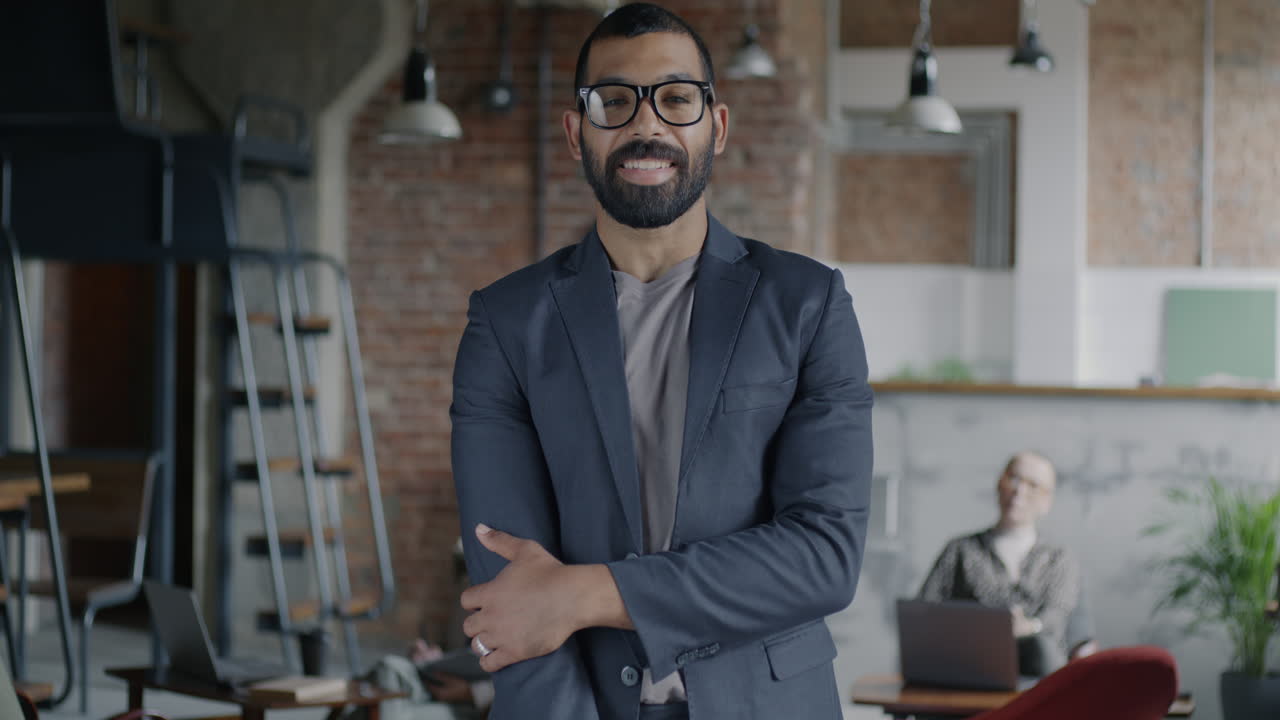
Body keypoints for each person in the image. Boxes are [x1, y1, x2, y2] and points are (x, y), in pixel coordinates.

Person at [448, 4, 874, 719]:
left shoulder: (807, 304)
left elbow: (824, 557)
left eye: (676, 99)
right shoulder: (507, 323)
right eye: (614, 102)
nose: (646, 125)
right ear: (576, 133)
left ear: (718, 127)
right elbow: (512, 598)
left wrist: (587, 594)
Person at [918, 451, 1093, 676]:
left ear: (1047, 501)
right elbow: (924, 614)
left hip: (1041, 679)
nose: (1019, 491)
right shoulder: (961, 550)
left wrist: (1029, 627)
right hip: (970, 674)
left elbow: (1058, 615)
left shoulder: (1059, 558)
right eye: (1014, 478)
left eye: (1033, 485)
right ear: (999, 484)